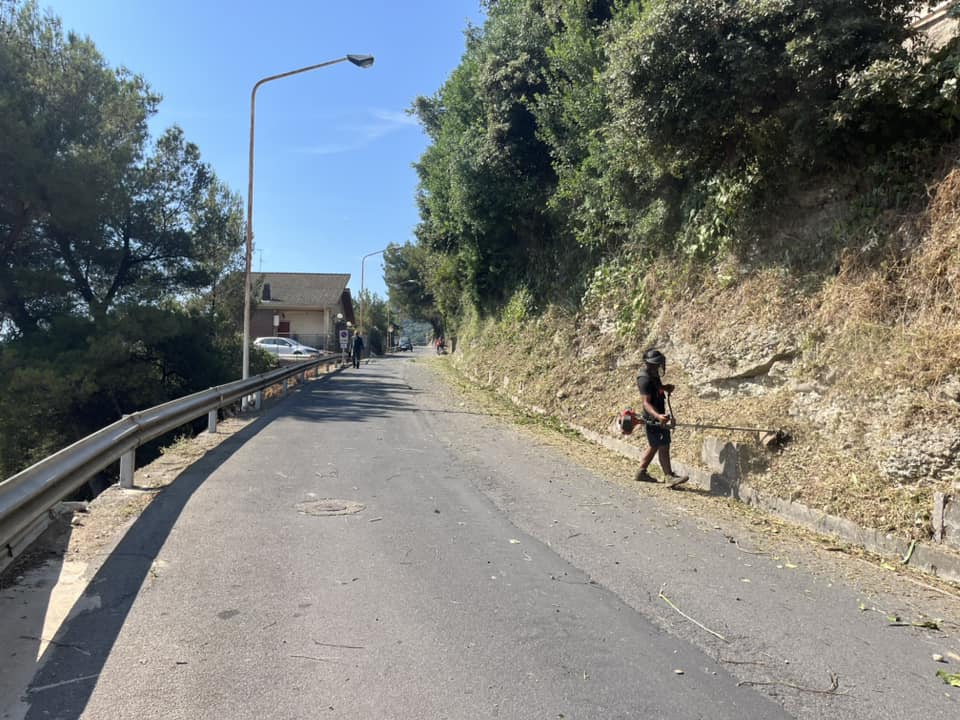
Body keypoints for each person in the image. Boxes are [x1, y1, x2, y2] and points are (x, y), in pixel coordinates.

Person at [634, 348, 688, 487]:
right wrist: (658, 416)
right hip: (653, 418)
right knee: (663, 444)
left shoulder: (653, 374)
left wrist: (664, 388)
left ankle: (641, 473)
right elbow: (646, 402)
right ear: (648, 363)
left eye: (659, 363)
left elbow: (655, 388)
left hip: (658, 415)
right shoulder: (644, 379)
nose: (658, 365)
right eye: (655, 363)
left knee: (655, 445)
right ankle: (669, 477)